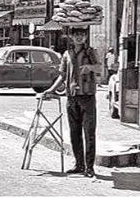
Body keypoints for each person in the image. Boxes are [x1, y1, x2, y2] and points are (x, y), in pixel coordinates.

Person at [40, 30, 101, 178]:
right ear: (71, 37)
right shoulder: (67, 54)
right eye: (76, 35)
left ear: (85, 37)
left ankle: (90, 168)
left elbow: (100, 68)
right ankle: (79, 165)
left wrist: (90, 68)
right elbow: (62, 76)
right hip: (71, 98)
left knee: (89, 133)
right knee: (74, 134)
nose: (79, 37)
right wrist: (50, 90)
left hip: (87, 97)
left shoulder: (90, 52)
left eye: (82, 35)